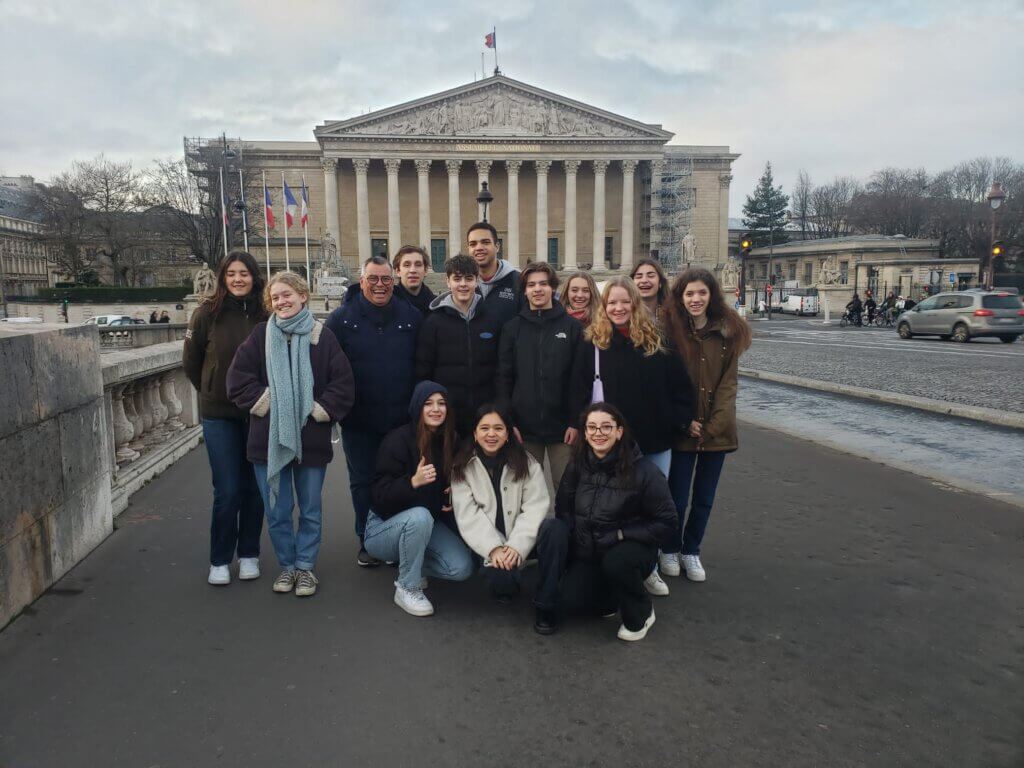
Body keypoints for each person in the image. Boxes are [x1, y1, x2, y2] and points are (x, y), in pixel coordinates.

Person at [227, 271, 355, 598]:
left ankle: (305, 567)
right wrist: (270, 401)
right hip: (267, 440)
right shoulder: (260, 336)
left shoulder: (321, 336)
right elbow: (237, 379)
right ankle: (287, 565)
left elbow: (343, 382)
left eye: (287, 294)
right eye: (275, 298)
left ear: (302, 296)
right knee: (278, 510)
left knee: (310, 509)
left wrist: (317, 409)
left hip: (310, 438)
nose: (281, 301)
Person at [570, 276, 694, 597]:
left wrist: (676, 422)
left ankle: (649, 567)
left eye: (625, 301)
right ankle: (617, 566)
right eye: (612, 302)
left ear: (635, 304)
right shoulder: (593, 343)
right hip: (610, 446)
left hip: (653, 442)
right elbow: (578, 390)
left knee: (652, 508)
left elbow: (680, 387)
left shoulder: (657, 341)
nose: (619, 307)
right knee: (616, 509)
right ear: (604, 306)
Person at [535, 403, 676, 640]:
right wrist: (574, 539)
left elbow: (667, 522)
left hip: (628, 551)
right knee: (573, 599)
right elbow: (564, 508)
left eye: (606, 427)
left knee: (616, 562)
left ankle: (641, 611)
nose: (598, 433)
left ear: (619, 431)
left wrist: (622, 534)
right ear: (585, 432)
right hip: (589, 552)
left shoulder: (644, 472)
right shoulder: (578, 464)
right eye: (592, 427)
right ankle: (605, 598)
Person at [326, 256, 422, 567]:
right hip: (359, 420)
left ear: (393, 281)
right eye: (373, 279)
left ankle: (393, 538)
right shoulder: (341, 319)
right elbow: (327, 368)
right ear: (362, 280)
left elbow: (422, 364)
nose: (380, 285)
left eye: (385, 279)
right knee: (363, 481)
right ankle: (366, 539)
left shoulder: (411, 317)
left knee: (398, 479)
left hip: (400, 419)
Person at [661, 267, 752, 582]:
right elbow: (668, 383)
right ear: (680, 297)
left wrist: (712, 425)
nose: (695, 299)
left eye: (701, 293)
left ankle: (692, 550)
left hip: (718, 430)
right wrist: (685, 420)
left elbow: (729, 385)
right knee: (678, 497)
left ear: (711, 295)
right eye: (689, 294)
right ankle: (670, 547)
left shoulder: (728, 333)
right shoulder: (671, 332)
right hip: (683, 428)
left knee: (704, 498)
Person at [183, 250, 268, 586]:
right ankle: (219, 558)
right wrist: (209, 389)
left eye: (243, 273)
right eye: (231, 273)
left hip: (259, 413)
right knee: (228, 488)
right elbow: (191, 362)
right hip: (219, 414)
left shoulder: (266, 312)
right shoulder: (206, 313)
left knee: (255, 489)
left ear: (254, 276)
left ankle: (249, 553)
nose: (237, 279)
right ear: (222, 276)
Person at [368, 381, 474, 616]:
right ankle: (407, 586)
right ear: (418, 408)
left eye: (441, 404)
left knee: (462, 568)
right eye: (428, 404)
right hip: (382, 528)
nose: (436, 409)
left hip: (426, 523)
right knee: (420, 516)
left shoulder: (450, 440)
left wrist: (449, 497)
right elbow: (378, 496)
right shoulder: (397, 440)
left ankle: (410, 566)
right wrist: (412, 482)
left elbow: (443, 491)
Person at [450, 405, 554, 605]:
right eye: (484, 428)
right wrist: (494, 548)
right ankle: (507, 568)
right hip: (488, 545)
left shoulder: (527, 463)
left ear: (508, 434)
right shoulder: (462, 467)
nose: (491, 434)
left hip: (522, 539)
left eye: (498, 428)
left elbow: (535, 506)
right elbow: (468, 515)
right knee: (503, 586)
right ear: (475, 433)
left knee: (555, 529)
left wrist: (516, 546)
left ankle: (536, 577)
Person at [497, 262, 583, 491]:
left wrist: (575, 421)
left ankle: (567, 528)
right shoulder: (512, 328)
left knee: (566, 488)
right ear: (524, 291)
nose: (537, 289)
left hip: (563, 428)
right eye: (531, 285)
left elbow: (579, 379)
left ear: (552, 288)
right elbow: (504, 378)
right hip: (524, 428)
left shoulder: (572, 327)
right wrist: (509, 421)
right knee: (526, 491)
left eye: (543, 284)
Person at [416, 254, 503, 434]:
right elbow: (423, 370)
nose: (463, 284)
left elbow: (501, 367)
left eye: (469, 278)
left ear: (477, 281)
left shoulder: (493, 319)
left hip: (485, 414)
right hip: (448, 415)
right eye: (457, 279)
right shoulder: (433, 323)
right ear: (448, 282)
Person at [466, 221, 520, 327]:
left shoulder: (519, 281)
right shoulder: (463, 285)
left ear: (497, 246)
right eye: (473, 244)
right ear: (468, 249)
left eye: (485, 242)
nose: (479, 248)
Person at [392, 245, 436, 315]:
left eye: (418, 265)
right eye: (407, 265)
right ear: (398, 271)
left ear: (426, 270)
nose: (413, 270)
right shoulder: (388, 305)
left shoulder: (437, 307)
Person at [630, 258, 669, 325]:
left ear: (660, 282)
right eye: (639, 277)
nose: (644, 280)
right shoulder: (624, 315)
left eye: (651, 276)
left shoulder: (672, 315)